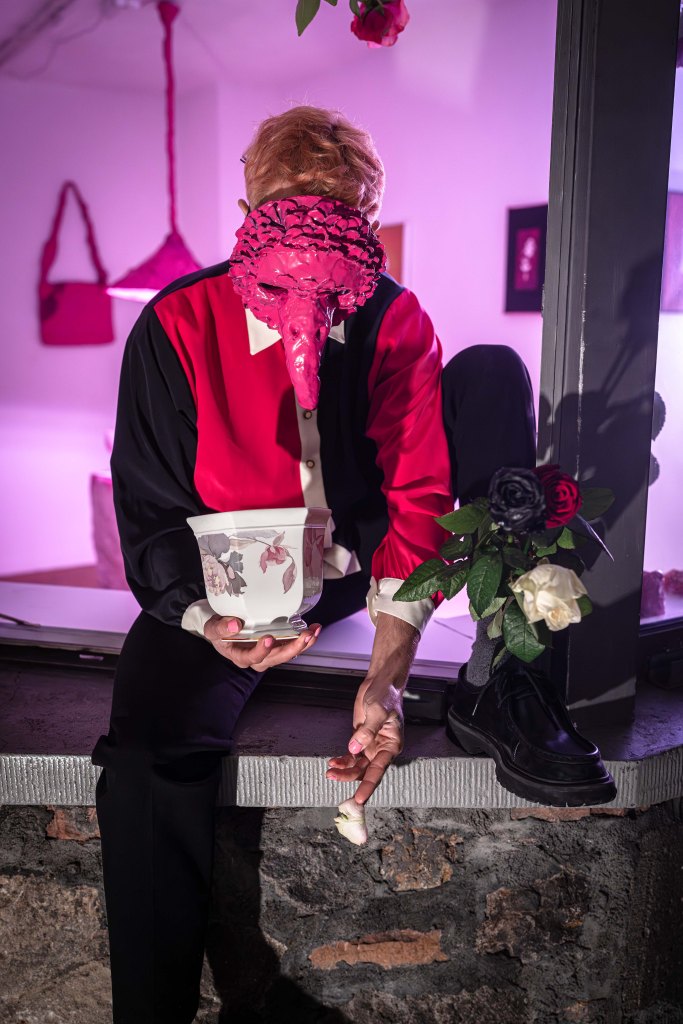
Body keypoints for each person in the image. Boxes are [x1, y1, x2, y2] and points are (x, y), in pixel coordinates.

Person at [92, 105, 614, 1024]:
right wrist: (204, 620)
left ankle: (511, 687)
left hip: (349, 566)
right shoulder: (176, 322)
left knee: (490, 371)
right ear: (247, 214)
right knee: (143, 756)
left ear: (366, 224)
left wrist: (386, 676)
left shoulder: (393, 319)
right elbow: (149, 502)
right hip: (223, 587)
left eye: (335, 212)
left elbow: (416, 490)